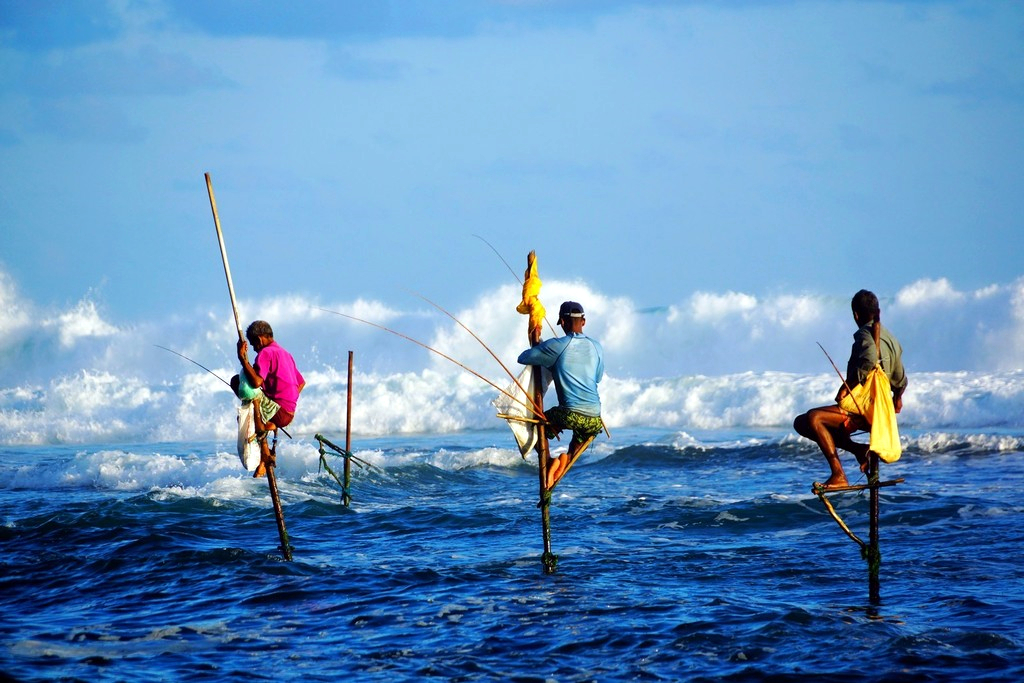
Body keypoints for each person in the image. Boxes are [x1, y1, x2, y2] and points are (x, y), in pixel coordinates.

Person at [793, 290, 907, 489]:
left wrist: (848, 387)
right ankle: (858, 450)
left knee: (814, 418)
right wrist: (897, 398)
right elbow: (900, 379)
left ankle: (838, 474)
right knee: (801, 423)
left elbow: (870, 359)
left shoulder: (865, 333)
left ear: (855, 314)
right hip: (881, 411)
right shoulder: (892, 340)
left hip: (863, 408)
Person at [518, 301, 604, 489]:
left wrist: (542, 350)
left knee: (538, 423)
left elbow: (523, 357)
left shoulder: (557, 346)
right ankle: (564, 461)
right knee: (577, 444)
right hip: (594, 418)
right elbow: (597, 378)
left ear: (563, 323)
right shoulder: (597, 347)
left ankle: (549, 462)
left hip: (569, 414)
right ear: (584, 322)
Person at [237, 320, 305, 475]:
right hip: (289, 413)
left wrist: (243, 360)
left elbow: (256, 382)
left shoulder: (265, 353)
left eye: (254, 345)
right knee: (262, 398)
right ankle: (267, 440)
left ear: (260, 339)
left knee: (239, 383)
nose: (254, 349)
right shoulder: (285, 353)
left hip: (279, 412)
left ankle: (264, 454)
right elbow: (301, 383)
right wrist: (283, 398)